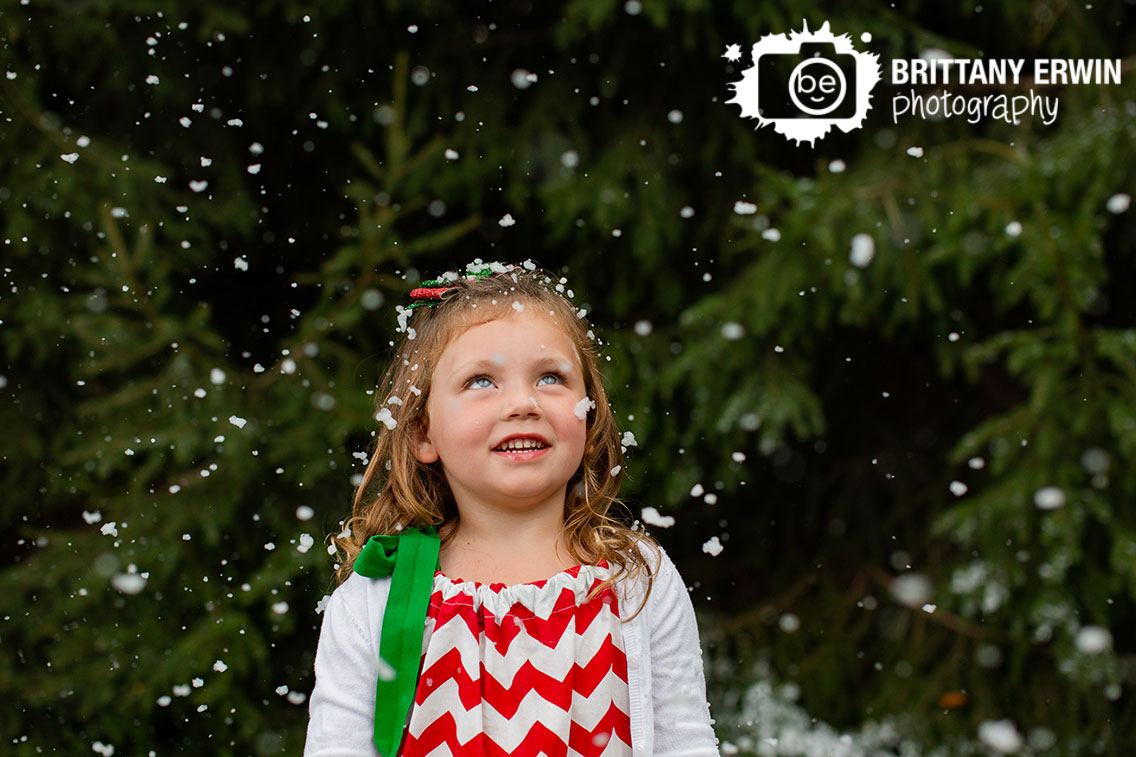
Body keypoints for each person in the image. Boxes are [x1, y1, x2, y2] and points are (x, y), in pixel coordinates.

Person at [304, 261, 719, 756]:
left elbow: (685, 742)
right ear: (421, 432)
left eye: (550, 378)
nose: (523, 403)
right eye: (481, 381)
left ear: (588, 419)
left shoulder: (633, 578)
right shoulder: (378, 592)